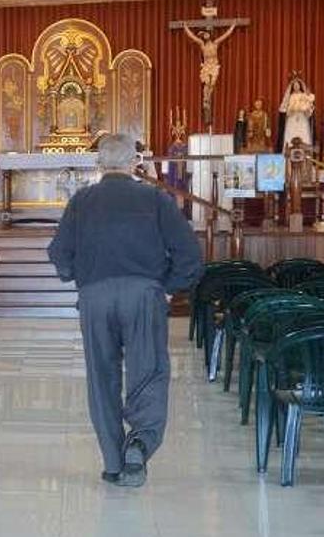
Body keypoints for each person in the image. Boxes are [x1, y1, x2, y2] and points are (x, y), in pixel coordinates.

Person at [46, 134, 203, 488]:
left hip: (95, 296)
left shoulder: (82, 201)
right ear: (136, 163)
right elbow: (189, 254)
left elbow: (58, 253)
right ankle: (140, 443)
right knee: (147, 371)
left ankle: (114, 462)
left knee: (102, 377)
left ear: (99, 165)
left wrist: (79, 278)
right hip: (144, 294)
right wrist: (169, 288)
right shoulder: (156, 198)